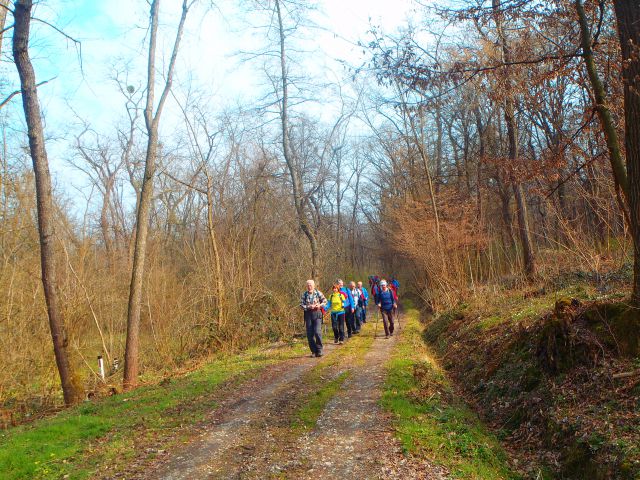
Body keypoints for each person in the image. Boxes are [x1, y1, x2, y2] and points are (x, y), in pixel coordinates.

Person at [299, 279, 327, 357]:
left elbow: (325, 301)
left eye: (310, 285)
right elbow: (301, 305)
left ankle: (320, 349)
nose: (309, 286)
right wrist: (308, 306)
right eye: (308, 285)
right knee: (309, 335)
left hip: (317, 314)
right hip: (308, 314)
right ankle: (314, 351)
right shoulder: (304, 294)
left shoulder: (318, 293)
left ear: (314, 285)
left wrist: (320, 305)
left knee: (317, 332)